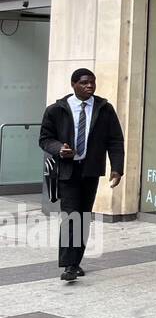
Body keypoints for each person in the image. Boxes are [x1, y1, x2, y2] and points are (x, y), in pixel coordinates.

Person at [38, 69, 124, 282]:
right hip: (68, 170)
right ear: (73, 84)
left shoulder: (104, 109)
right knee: (70, 216)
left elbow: (115, 140)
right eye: (84, 83)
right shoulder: (56, 110)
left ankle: (76, 262)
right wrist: (59, 149)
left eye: (92, 83)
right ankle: (68, 265)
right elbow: (45, 138)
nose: (90, 86)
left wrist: (117, 168)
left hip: (91, 170)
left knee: (83, 217)